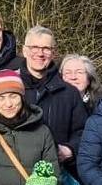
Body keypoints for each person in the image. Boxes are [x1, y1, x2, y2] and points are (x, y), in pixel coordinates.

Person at [16, 27, 88, 168]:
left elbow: (83, 131)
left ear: (53, 53)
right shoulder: (11, 89)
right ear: (24, 51)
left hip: (57, 171)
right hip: (15, 170)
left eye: (46, 48)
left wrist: (70, 149)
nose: (40, 53)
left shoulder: (69, 93)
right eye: (34, 47)